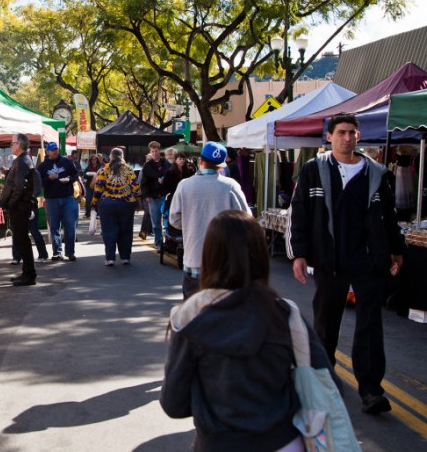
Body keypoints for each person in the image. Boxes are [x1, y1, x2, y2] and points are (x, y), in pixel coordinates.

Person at [161, 210, 336, 452]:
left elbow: (173, 404)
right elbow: (325, 381)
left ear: (209, 256)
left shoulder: (190, 317)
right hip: (283, 442)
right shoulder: (286, 315)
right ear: (260, 255)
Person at [287, 112, 405, 415]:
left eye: (352, 132)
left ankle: (371, 391)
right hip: (330, 261)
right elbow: (298, 212)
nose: (347, 138)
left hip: (368, 261)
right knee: (326, 326)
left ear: (359, 135)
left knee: (369, 327)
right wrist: (298, 253)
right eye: (341, 132)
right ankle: (323, 384)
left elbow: (388, 216)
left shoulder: (376, 173)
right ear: (329, 136)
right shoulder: (314, 170)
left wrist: (396, 248)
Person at [168, 141, 250, 299]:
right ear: (221, 166)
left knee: (192, 314)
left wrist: (191, 224)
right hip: (224, 262)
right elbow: (246, 221)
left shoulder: (184, 185)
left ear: (200, 161)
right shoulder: (230, 186)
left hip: (194, 258)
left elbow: (174, 219)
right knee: (223, 315)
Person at [0, 133, 38, 286]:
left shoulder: (23, 162)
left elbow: (19, 187)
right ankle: (26, 273)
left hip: (20, 206)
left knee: (23, 240)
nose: (10, 145)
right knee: (22, 240)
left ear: (20, 144)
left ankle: (29, 275)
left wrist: (12, 203)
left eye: (12, 143)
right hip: (20, 205)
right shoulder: (21, 160)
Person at [91, 147, 141, 266]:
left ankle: (110, 258)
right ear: (122, 157)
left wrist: (93, 203)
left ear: (111, 157)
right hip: (127, 204)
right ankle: (125, 258)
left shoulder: (104, 169)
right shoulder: (129, 169)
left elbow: (98, 188)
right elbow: (135, 187)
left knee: (109, 231)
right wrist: (139, 203)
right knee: (126, 231)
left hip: (107, 205)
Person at [36, 141, 80, 261]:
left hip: (68, 198)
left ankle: (70, 252)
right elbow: (39, 183)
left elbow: (76, 175)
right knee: (54, 227)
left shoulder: (66, 162)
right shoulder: (42, 166)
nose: (55, 151)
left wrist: (70, 179)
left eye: (56, 149)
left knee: (70, 225)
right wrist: (49, 179)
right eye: (52, 150)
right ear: (47, 152)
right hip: (51, 200)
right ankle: (57, 252)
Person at [140, 141, 172, 252]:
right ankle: (158, 243)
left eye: (156, 151)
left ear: (159, 151)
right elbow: (143, 183)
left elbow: (172, 177)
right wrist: (146, 195)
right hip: (153, 197)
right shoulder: (147, 166)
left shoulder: (166, 163)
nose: (154, 153)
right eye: (152, 151)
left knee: (169, 221)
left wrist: (164, 179)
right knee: (156, 223)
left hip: (166, 195)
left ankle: (169, 242)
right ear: (150, 152)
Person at [83, 154, 104, 219]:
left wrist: (96, 175)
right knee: (88, 199)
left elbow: (103, 173)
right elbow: (84, 174)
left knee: (98, 199)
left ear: (97, 160)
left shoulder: (100, 166)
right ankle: (87, 214)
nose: (93, 160)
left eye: (95, 159)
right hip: (89, 185)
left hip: (98, 185)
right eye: (92, 159)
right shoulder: (89, 166)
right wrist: (89, 175)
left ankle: (98, 214)